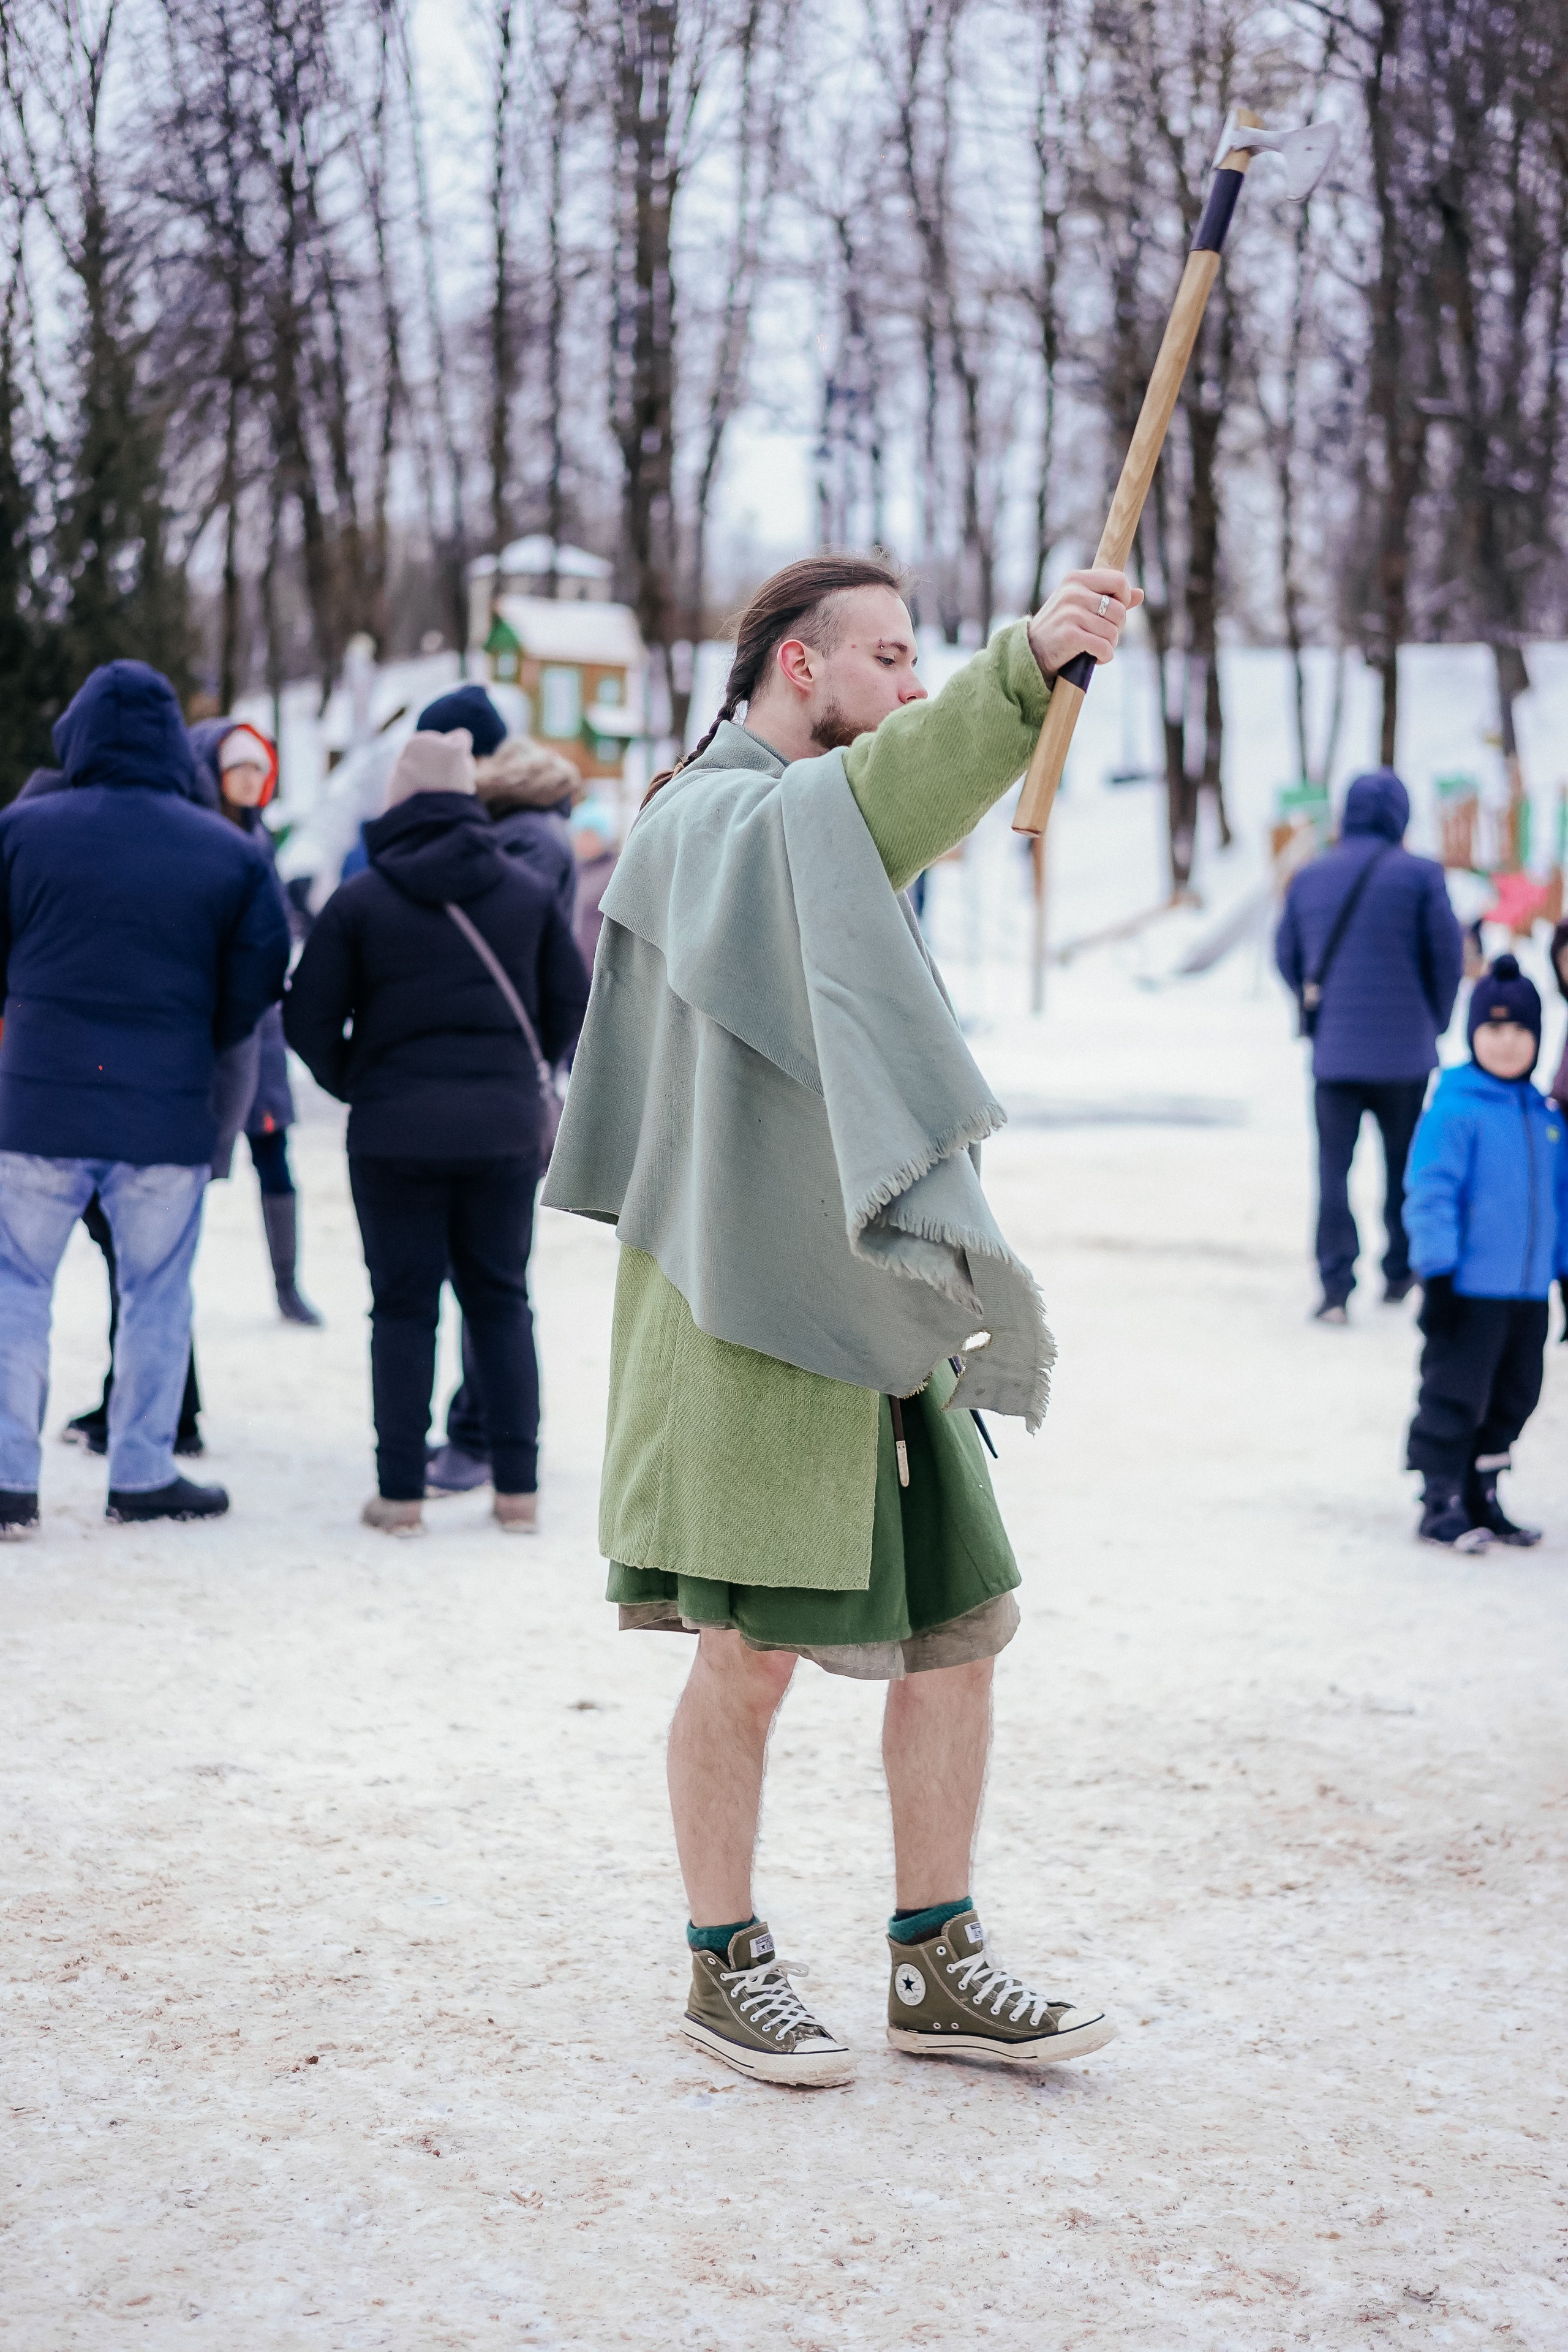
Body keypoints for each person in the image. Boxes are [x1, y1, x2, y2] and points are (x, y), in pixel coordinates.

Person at [543, 551, 1137, 2086]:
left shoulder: (810, 837)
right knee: (743, 1653)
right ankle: (717, 1960)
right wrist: (1024, 672)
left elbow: (878, 822)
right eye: (887, 658)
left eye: (922, 660)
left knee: (960, 1633)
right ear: (798, 668)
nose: (908, 684)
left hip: (874, 1306)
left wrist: (1006, 691)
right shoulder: (703, 822)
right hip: (738, 1319)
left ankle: (932, 1955)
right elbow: (878, 799)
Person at [0, 661, 290, 1534]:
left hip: (39, 1100)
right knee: (158, 1291)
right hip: (166, 1103)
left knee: (15, 1286)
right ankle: (142, 1471)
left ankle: (10, 1481)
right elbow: (257, 981)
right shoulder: (230, 852)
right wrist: (194, 1039)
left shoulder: (19, 832)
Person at [282, 725, 590, 1536]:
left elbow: (307, 1016)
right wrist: (520, 1078)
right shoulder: (524, 893)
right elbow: (572, 999)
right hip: (501, 1131)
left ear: (398, 803)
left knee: (403, 1307)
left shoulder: (360, 901)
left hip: (392, 1134)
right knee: (500, 1298)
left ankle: (400, 1496)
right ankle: (517, 1492)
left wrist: (358, 1080)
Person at [1275, 768, 1464, 1322]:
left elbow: (1286, 953)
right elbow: (1447, 958)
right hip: (1405, 1056)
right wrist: (1435, 1019)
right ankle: (1400, 1270)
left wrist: (1313, 1004)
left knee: (1334, 1171)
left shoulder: (1310, 877)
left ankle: (1336, 1284)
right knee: (1404, 1164)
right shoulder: (1423, 875)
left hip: (1334, 1055)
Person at [1403, 954, 1568, 1548]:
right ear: (1473, 1035)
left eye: (1520, 1030)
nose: (1506, 1042)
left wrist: (1564, 1276)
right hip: (1468, 1290)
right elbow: (1431, 1194)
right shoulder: (1455, 1111)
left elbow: (1560, 1203)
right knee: (1454, 1393)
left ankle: (1484, 1492)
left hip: (1526, 1294)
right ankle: (1440, 1496)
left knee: (1513, 1395)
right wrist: (1437, 1274)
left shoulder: (1546, 1120)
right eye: (1493, 1029)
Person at [190, 718, 323, 1325]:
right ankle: (170, 1282)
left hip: (260, 1025)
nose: (251, 779)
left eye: (259, 770)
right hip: (200, 1022)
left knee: (274, 1149)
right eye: (240, 768)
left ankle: (287, 1285)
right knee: (185, 1166)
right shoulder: (195, 833)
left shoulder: (262, 838)